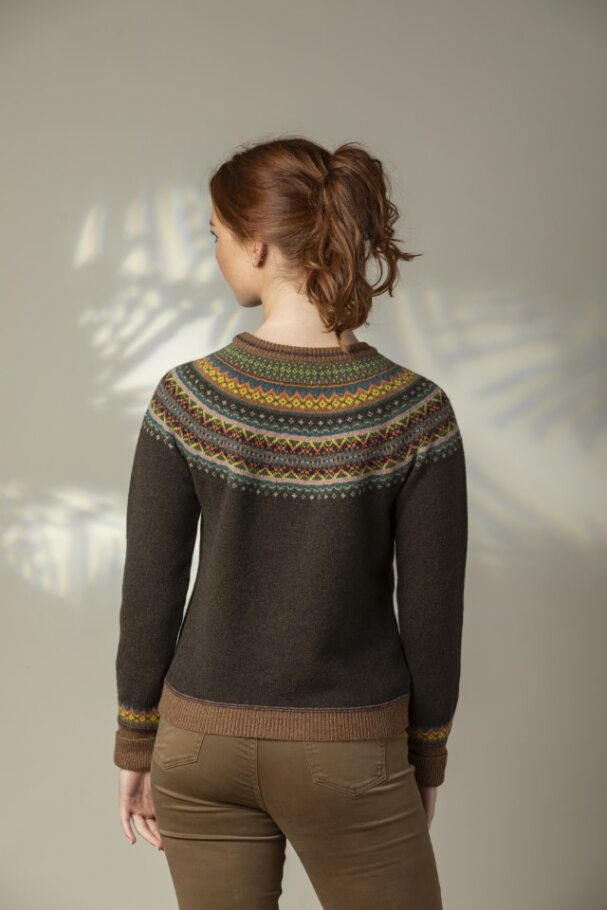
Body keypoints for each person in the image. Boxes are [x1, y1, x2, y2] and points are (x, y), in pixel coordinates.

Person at [113, 136, 468, 910]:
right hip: (349, 752)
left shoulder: (186, 399)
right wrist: (427, 759)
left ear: (257, 244)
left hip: (197, 745)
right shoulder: (415, 413)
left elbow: (149, 588)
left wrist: (136, 740)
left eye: (215, 234)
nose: (214, 252)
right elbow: (433, 611)